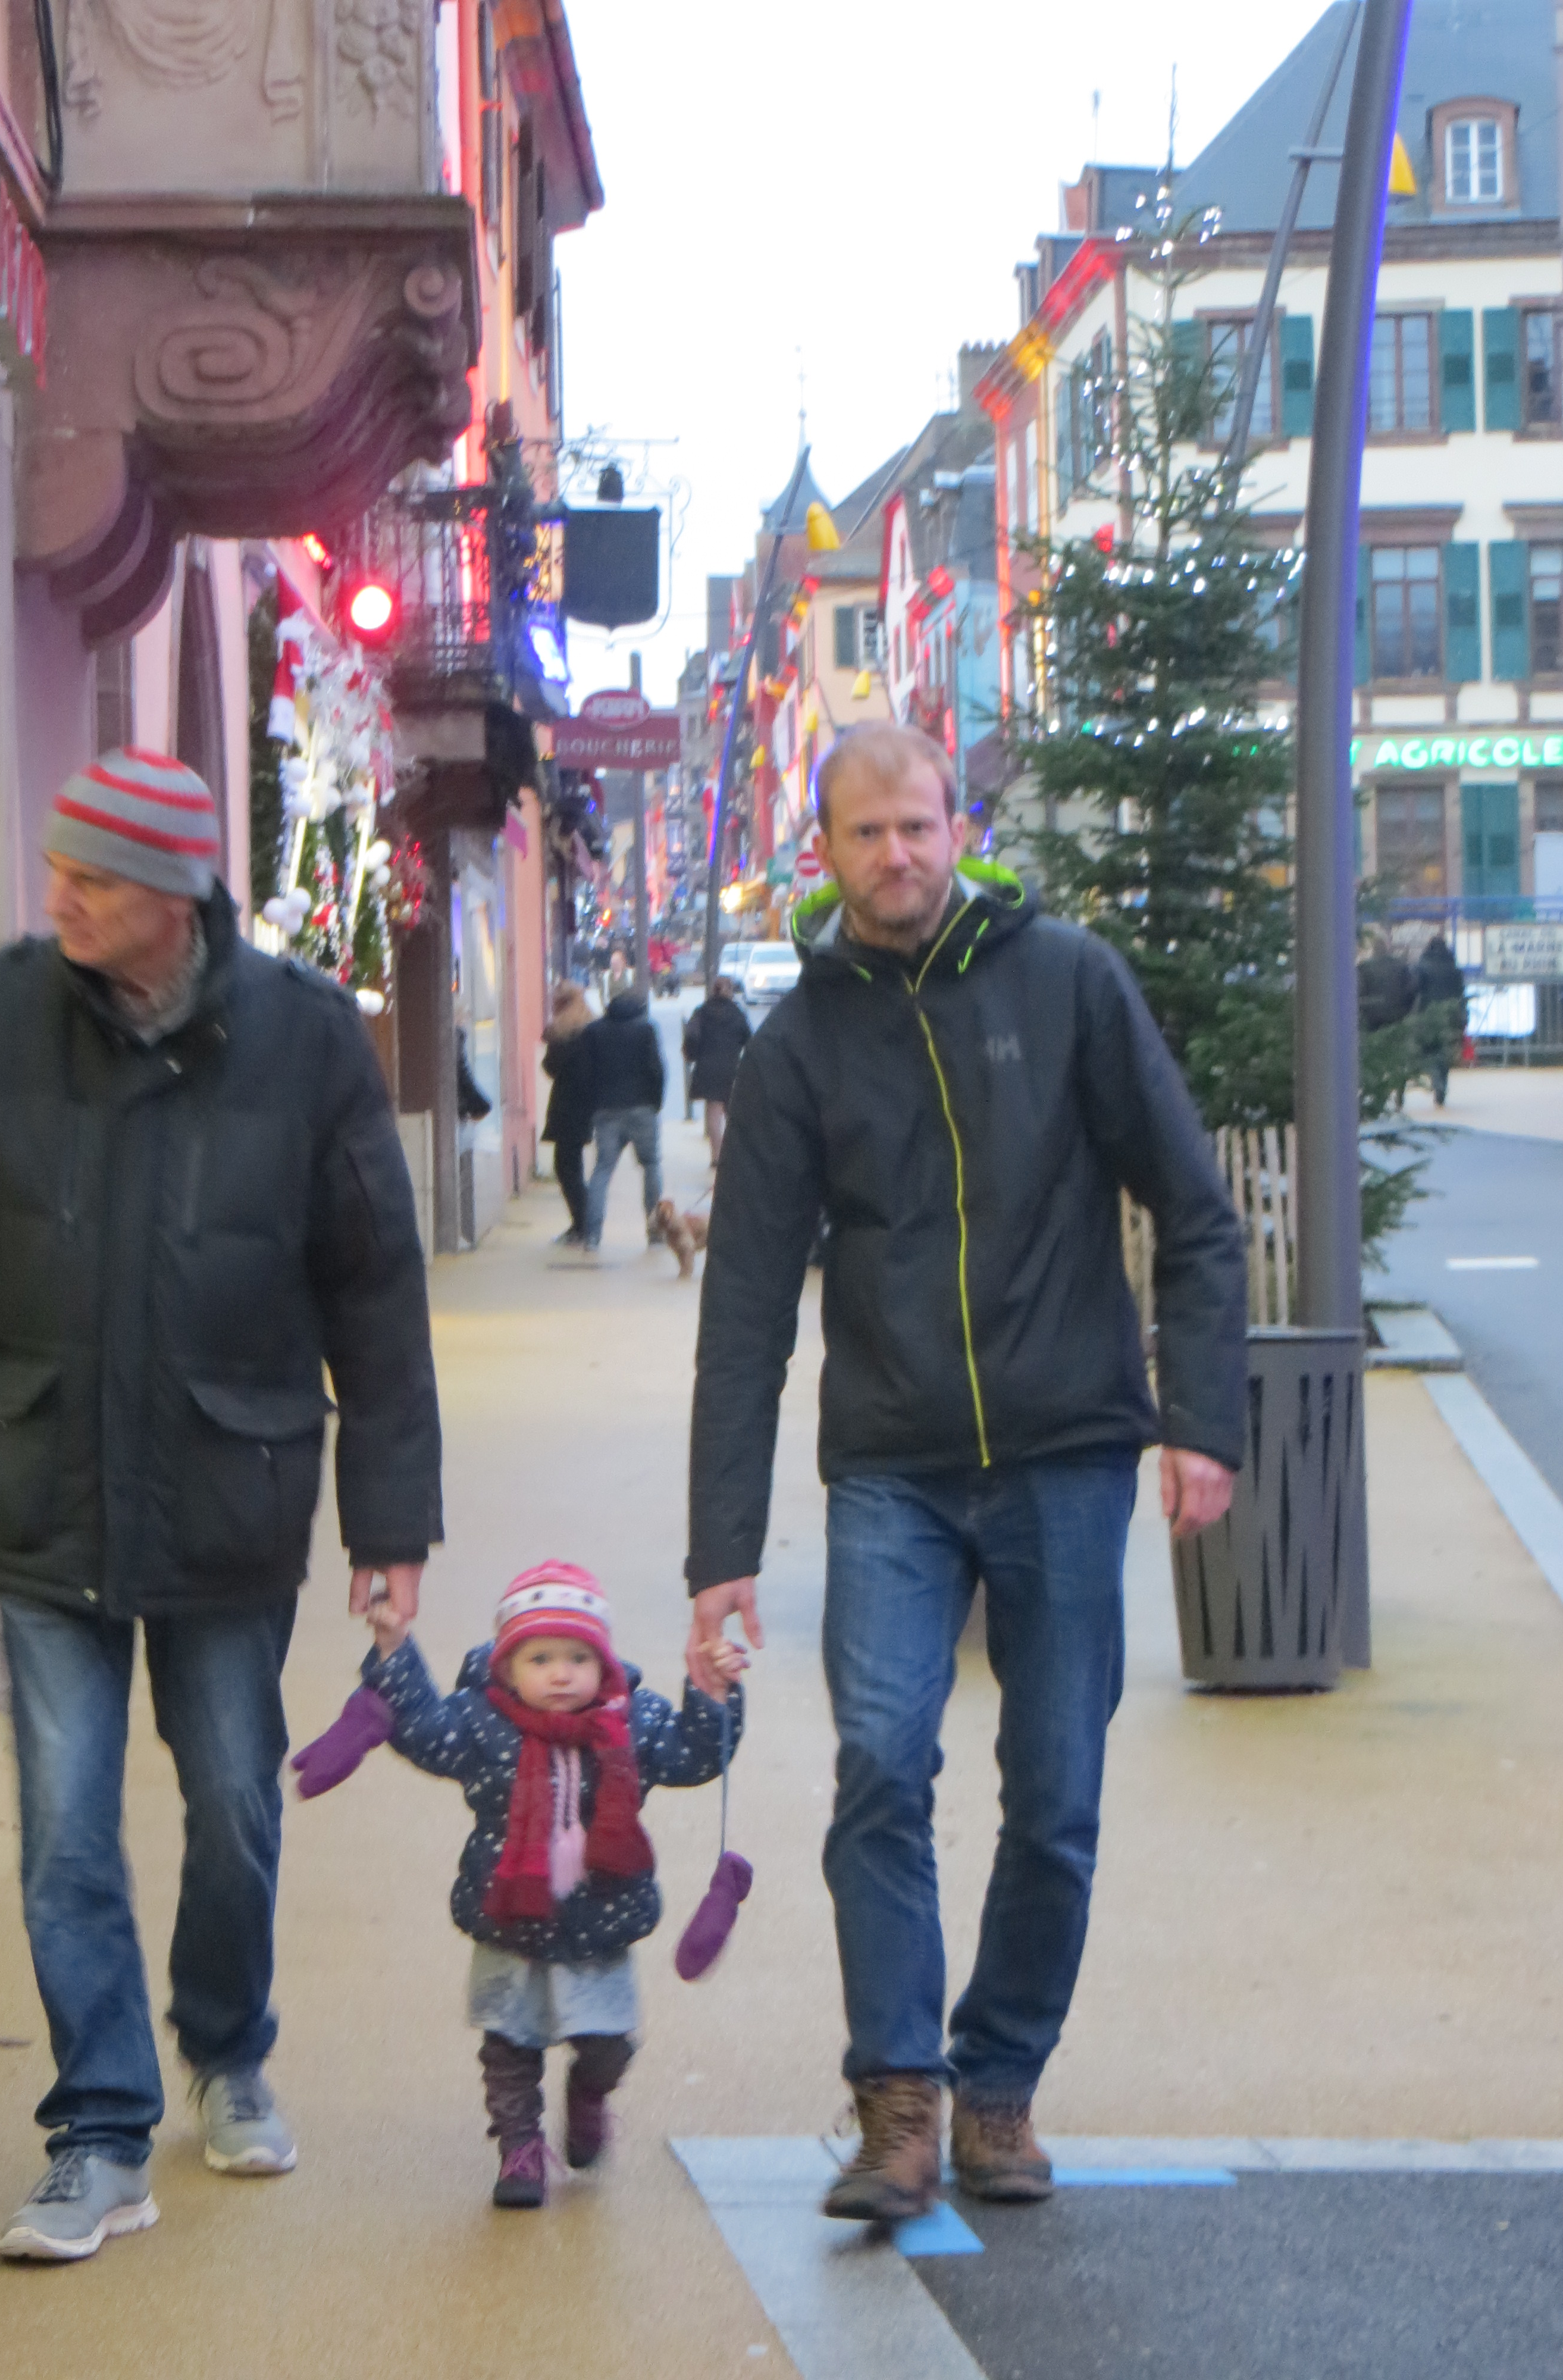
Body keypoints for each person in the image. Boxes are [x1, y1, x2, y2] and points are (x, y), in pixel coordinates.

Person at [0, 750, 443, 2263]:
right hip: (41, 1479)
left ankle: (229, 2045)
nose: (57, 893)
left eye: (94, 877)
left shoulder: (307, 1039)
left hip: (227, 1488)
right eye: (58, 865)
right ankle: (100, 2129)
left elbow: (376, 1295)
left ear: (178, 894)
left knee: (236, 1803)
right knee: (65, 1824)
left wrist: (390, 1525)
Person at [683, 724, 1246, 2225]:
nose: (897, 855)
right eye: (866, 833)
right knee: (880, 1764)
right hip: (894, 1465)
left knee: (1055, 1790)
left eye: (919, 826)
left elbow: (1193, 1208)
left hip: (1067, 1450)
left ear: (959, 828)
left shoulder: (1068, 984)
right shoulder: (798, 1045)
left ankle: (998, 2081)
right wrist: (720, 1548)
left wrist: (1201, 1419)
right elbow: (743, 1308)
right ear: (824, 852)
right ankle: (898, 2099)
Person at [297, 1565, 744, 2208]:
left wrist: (713, 1693)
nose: (561, 1674)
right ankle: (519, 2147)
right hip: (509, 1917)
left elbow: (695, 1755)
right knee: (509, 2045)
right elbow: (422, 1730)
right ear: (507, 1666)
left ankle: (589, 2092)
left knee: (607, 2043)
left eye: (578, 1658)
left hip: (599, 1921)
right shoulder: (482, 1722)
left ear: (602, 1661)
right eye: (540, 1659)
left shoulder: (631, 1722)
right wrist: (394, 1646)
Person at [581, 973, 666, 1252]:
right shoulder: (646, 1030)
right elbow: (657, 1070)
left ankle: (592, 1236)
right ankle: (655, 1233)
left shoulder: (594, 1031)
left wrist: (593, 1104)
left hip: (606, 1109)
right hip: (642, 1107)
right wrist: (655, 1103)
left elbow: (587, 1073)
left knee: (602, 1169)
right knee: (651, 1166)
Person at [541, 984, 596, 1245]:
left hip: (567, 1104)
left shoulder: (563, 1032)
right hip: (585, 1104)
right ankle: (583, 1223)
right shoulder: (591, 1027)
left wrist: (551, 1041)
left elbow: (551, 1067)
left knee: (566, 1167)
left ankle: (583, 1224)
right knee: (571, 1166)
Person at [682, 975, 753, 1167]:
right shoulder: (737, 1013)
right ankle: (736, 1155)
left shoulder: (702, 1011)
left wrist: (692, 1055)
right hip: (731, 1068)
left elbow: (692, 1036)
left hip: (708, 1068)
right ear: (729, 991)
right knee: (734, 1113)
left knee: (713, 1113)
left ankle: (717, 1156)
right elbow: (749, 1039)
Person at [1414, 931, 1466, 1106]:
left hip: (1428, 1015)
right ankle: (1442, 1082)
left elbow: (1416, 990)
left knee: (1430, 1049)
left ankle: (1436, 1080)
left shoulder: (1422, 966)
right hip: (1450, 1015)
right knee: (1445, 1050)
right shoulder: (1454, 969)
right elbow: (1461, 994)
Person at [1357, 934, 1416, 1035]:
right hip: (1397, 1014)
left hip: (1373, 1017)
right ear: (1386, 948)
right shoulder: (1400, 965)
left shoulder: (1364, 968)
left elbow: (1360, 993)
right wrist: (1406, 1008)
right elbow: (1411, 988)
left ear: (1374, 950)